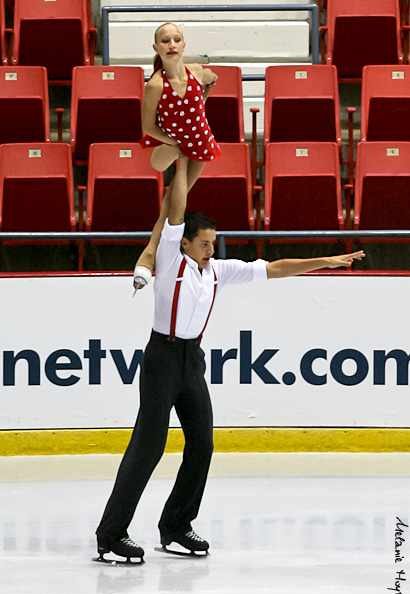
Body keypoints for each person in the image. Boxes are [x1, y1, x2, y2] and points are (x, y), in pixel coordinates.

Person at [95, 153, 365, 563]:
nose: (210, 248)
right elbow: (176, 206)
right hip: (161, 359)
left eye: (212, 242)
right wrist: (182, 161)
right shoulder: (171, 260)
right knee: (148, 448)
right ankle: (111, 534)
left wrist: (324, 261)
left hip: (191, 362)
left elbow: (273, 268)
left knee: (202, 443)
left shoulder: (216, 271)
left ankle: (175, 525)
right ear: (184, 241)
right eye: (203, 242)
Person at [134, 22, 221, 290]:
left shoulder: (195, 71)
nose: (171, 45)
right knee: (169, 184)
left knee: (172, 200)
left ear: (183, 45)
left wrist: (206, 90)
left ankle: (151, 252)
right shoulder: (156, 84)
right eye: (165, 41)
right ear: (156, 48)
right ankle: (150, 252)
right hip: (168, 146)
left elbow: (211, 76)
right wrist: (176, 142)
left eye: (176, 39)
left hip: (200, 142)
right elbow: (148, 127)